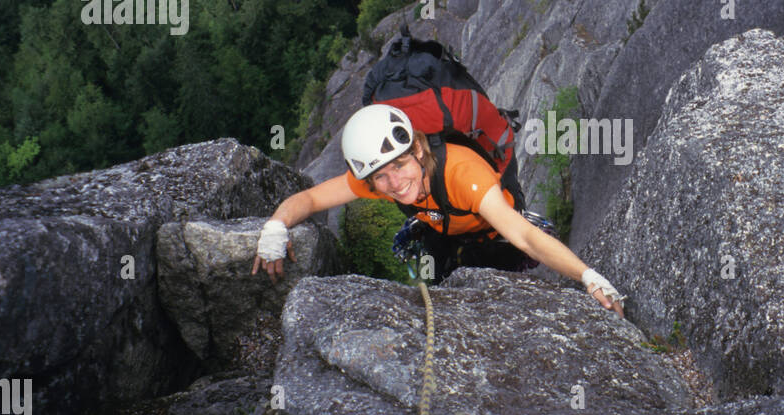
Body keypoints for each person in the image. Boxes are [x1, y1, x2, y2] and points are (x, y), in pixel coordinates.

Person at [250, 104, 625, 317]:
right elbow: (311, 199)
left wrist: (588, 276)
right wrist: (275, 228)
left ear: (417, 150)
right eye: (381, 177)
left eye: (399, 167)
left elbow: (523, 235)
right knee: (446, 295)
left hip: (492, 232)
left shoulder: (463, 173)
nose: (394, 184)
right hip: (441, 230)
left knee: (500, 301)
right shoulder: (377, 176)